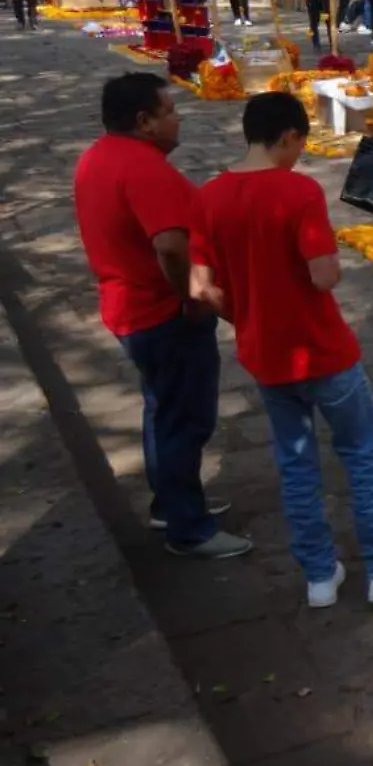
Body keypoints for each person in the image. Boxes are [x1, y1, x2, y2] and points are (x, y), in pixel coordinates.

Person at [188, 93, 373, 607]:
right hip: (322, 350)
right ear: (288, 136)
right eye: (299, 145)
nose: (299, 155)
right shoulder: (296, 192)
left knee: (296, 463)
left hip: (266, 355)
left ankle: (320, 575)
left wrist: (250, 316)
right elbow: (322, 274)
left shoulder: (207, 198)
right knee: (363, 455)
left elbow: (201, 290)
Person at [73, 73, 250, 558]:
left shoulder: (98, 156)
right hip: (160, 313)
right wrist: (191, 296)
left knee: (161, 409)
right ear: (144, 121)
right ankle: (188, 530)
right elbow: (170, 245)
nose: (178, 118)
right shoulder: (144, 169)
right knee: (184, 419)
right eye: (170, 110)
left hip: (128, 308)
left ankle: (170, 504)